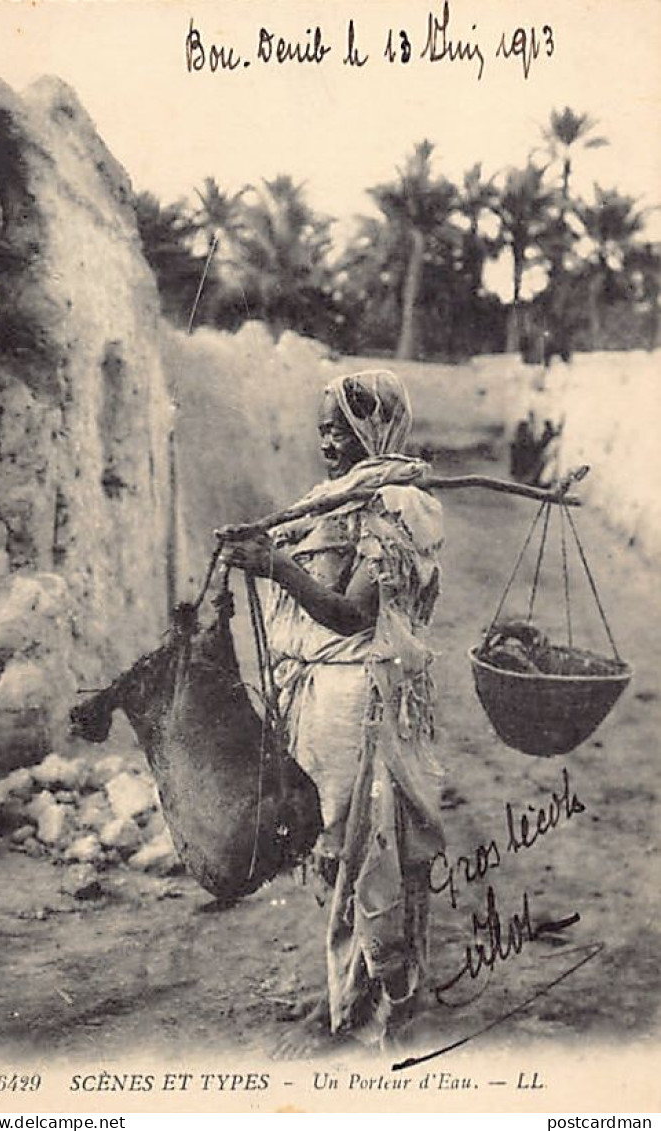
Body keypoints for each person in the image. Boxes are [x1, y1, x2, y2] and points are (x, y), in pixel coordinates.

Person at [219, 369, 445, 1050]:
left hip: (365, 700)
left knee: (371, 850)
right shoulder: (332, 499)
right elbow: (311, 572)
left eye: (339, 428)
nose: (327, 440)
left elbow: (349, 613)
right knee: (331, 849)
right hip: (322, 697)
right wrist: (268, 546)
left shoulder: (397, 506)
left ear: (372, 429)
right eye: (321, 427)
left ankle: (393, 995)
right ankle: (353, 991)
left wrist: (274, 566)